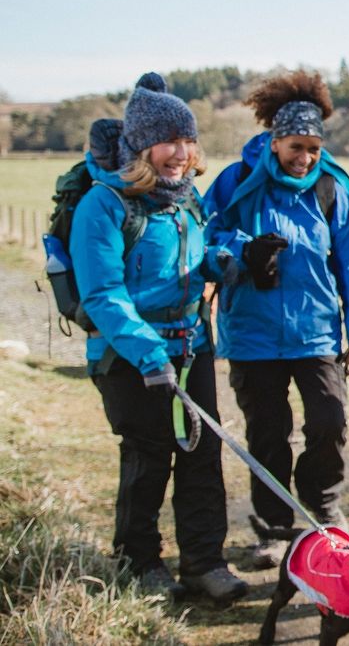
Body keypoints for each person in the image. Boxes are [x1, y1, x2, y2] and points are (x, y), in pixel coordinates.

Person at [72, 72, 248, 603]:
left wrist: (221, 262)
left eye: (188, 140)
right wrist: (148, 354)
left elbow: (189, 262)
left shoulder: (186, 199)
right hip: (130, 357)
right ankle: (140, 564)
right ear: (141, 145)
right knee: (149, 460)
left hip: (192, 346)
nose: (181, 152)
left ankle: (204, 563)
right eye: (170, 140)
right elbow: (103, 293)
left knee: (201, 457)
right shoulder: (102, 206)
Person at [204, 70, 349, 568]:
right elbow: (202, 236)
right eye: (294, 146)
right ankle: (275, 526)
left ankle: (323, 503)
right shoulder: (237, 183)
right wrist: (242, 251)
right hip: (252, 336)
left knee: (329, 422)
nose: (304, 158)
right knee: (268, 433)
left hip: (317, 333)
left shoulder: (331, 190)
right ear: (274, 140)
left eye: (313, 148)